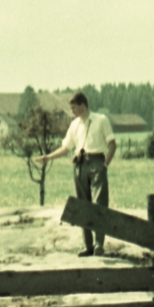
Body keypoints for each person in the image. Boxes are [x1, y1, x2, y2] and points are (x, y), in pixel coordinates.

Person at [35, 92, 117, 256]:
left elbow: (112, 145)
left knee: (99, 204)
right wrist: (48, 157)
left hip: (97, 163)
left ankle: (99, 244)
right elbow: (66, 148)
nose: (72, 111)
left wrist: (104, 166)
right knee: (82, 206)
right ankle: (88, 246)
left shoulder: (101, 120)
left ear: (83, 106)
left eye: (74, 108)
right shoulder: (74, 125)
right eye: (71, 108)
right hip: (79, 165)